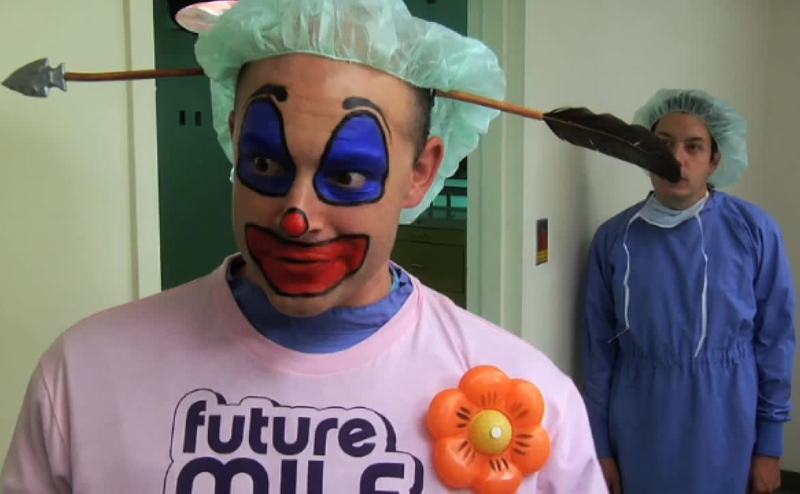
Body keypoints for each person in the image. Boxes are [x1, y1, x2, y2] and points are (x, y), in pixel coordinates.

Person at [2, 0, 607, 492]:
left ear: (421, 173)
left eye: (346, 175)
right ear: (233, 138)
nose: (296, 217)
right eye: (267, 163)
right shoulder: (84, 376)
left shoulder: (535, 400)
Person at [582, 88, 797, 494]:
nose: (676, 158)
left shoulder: (752, 231)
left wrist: (770, 444)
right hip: (640, 423)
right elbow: (597, 352)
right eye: (663, 144)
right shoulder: (614, 239)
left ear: (715, 160)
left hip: (728, 420)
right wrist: (601, 447)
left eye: (694, 147)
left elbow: (776, 340)